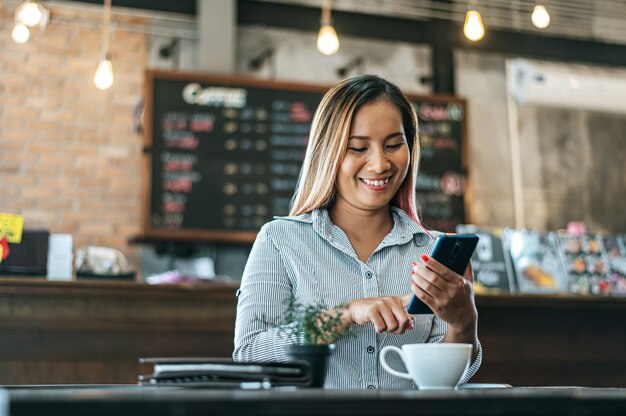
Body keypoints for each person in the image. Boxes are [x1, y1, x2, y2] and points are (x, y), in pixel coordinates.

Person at [233, 74, 482, 389]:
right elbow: (249, 353)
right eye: (358, 148)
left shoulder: (433, 252)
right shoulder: (279, 241)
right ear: (328, 153)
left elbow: (441, 383)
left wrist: (464, 323)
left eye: (393, 145)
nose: (380, 164)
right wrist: (345, 314)